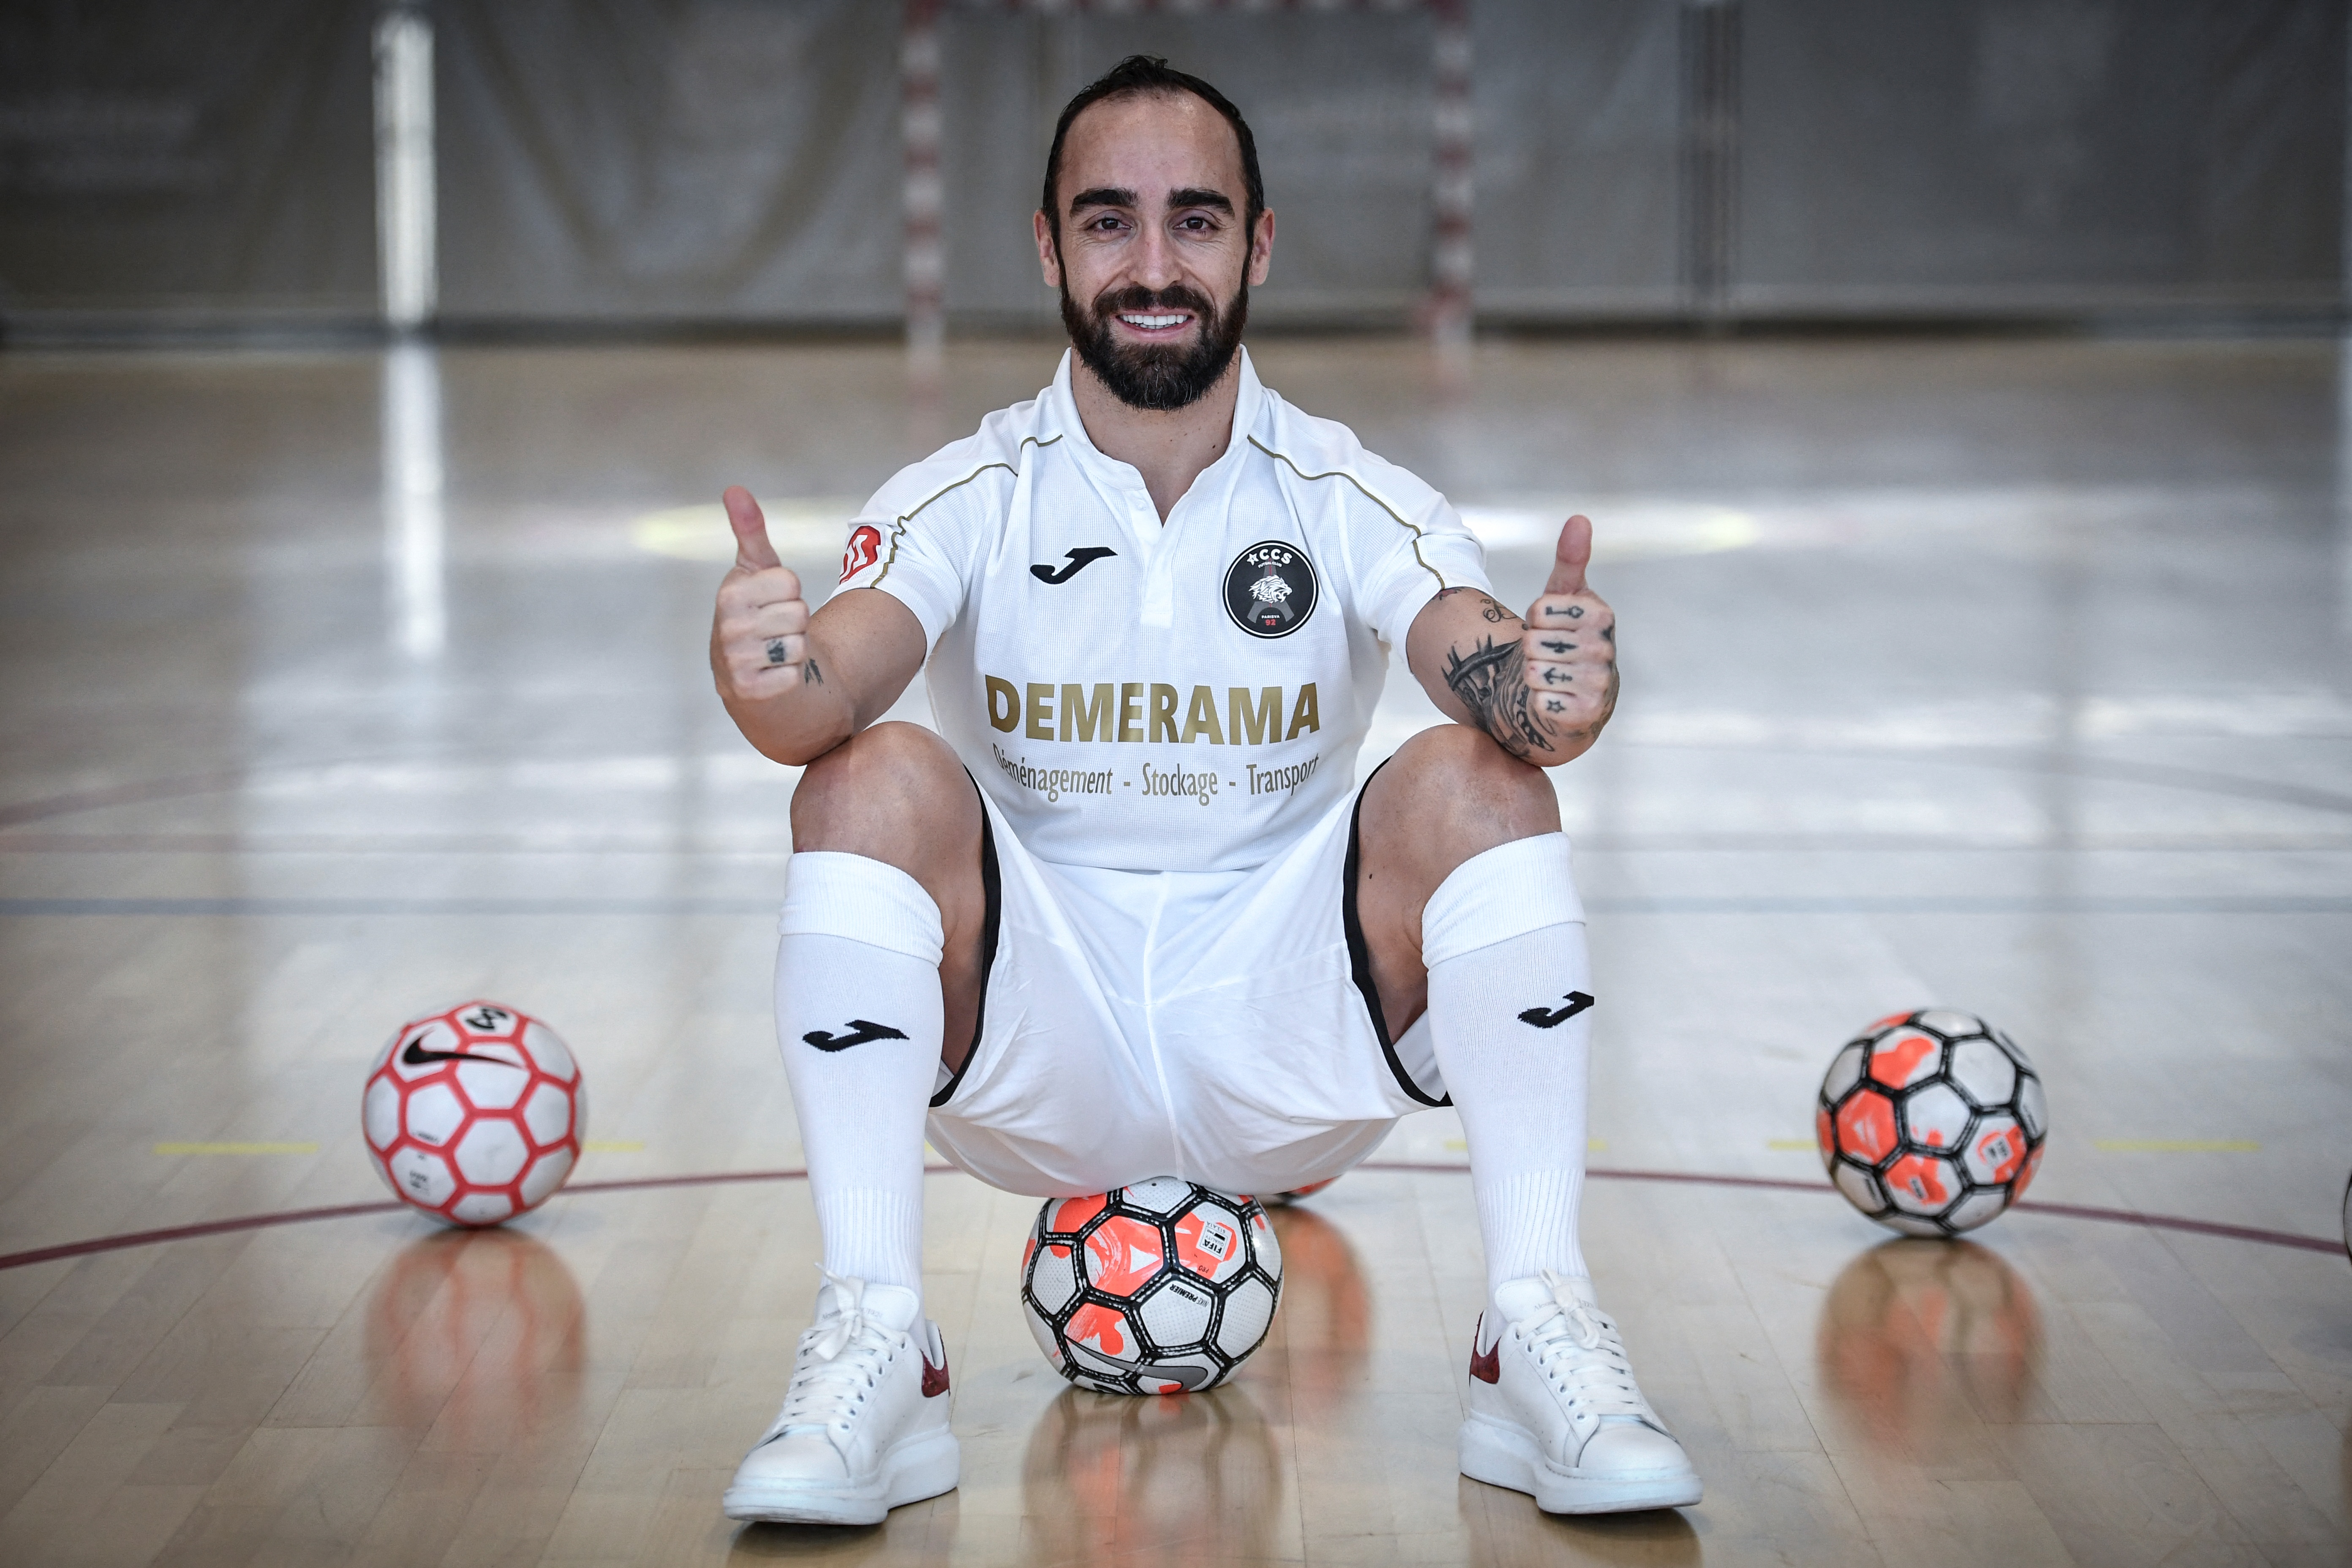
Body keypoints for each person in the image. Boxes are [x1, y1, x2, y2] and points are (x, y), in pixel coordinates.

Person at [708, 55, 1700, 1526]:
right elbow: (824, 697)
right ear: (1048, 247)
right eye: (1109, 223)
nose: (1155, 265)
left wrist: (1544, 690)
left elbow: (1474, 665)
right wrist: (765, 666)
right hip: (1036, 1015)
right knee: (874, 779)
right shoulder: (964, 492)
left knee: (1474, 784)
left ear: (1259, 243)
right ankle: (876, 1338)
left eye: (1197, 220)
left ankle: (1533, 1330)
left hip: (1286, 1004)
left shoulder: (1351, 494)